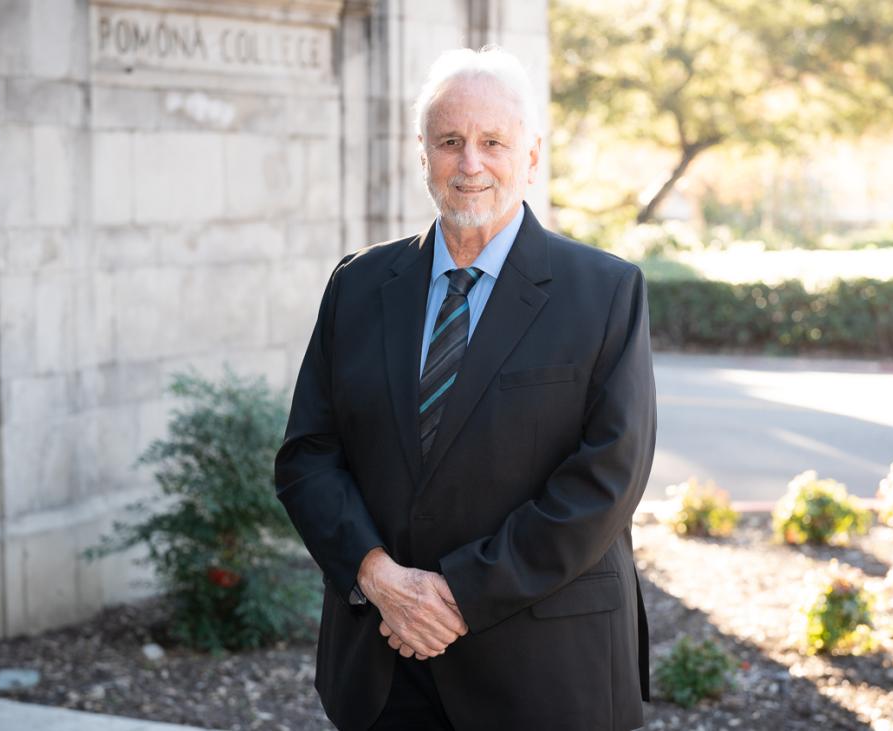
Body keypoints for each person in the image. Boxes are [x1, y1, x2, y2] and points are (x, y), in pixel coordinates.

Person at [274, 46, 657, 731]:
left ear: (531, 157)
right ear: (423, 155)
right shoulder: (358, 285)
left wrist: (456, 595)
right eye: (450, 141)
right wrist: (377, 576)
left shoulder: (604, 292)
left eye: (492, 142)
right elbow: (309, 456)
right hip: (384, 664)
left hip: (543, 673)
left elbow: (606, 481)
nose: (470, 163)